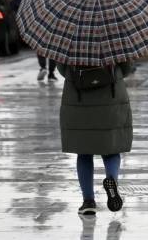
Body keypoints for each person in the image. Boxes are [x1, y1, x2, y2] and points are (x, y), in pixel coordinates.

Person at [57, 62, 133, 216]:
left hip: (78, 96)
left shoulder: (71, 39)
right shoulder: (114, 38)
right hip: (110, 95)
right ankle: (111, 180)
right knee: (111, 147)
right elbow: (126, 68)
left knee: (83, 151)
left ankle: (88, 202)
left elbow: (62, 68)